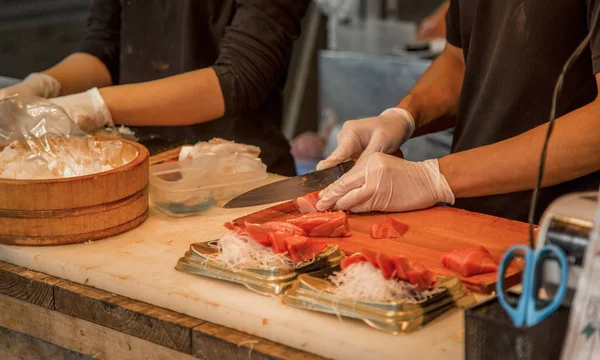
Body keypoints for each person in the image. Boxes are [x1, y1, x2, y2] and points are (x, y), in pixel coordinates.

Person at [316, 0, 600, 222]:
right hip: (474, 220)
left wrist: (435, 177)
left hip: (569, 238)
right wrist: (403, 116)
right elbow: (461, 58)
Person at [0, 0, 309, 176]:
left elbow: (239, 78)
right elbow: (105, 49)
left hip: (241, 174)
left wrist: (92, 105)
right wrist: (41, 85)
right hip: (142, 169)